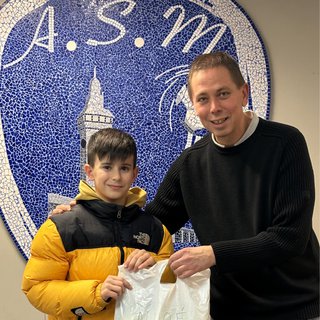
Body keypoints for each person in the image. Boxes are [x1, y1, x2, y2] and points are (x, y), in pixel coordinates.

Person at [53, 52, 319, 320]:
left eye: (223, 93)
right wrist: (85, 215)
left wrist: (213, 254)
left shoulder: (286, 143)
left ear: (244, 93)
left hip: (294, 308)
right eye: (203, 98)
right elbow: (151, 226)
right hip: (225, 310)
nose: (214, 107)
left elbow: (289, 237)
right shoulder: (190, 163)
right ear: (193, 104)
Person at [22, 128, 174, 320]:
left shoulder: (156, 230)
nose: (116, 177)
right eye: (107, 167)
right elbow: (37, 288)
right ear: (90, 171)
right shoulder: (61, 227)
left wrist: (156, 269)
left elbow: (173, 289)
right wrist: (96, 293)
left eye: (124, 168)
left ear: (135, 173)